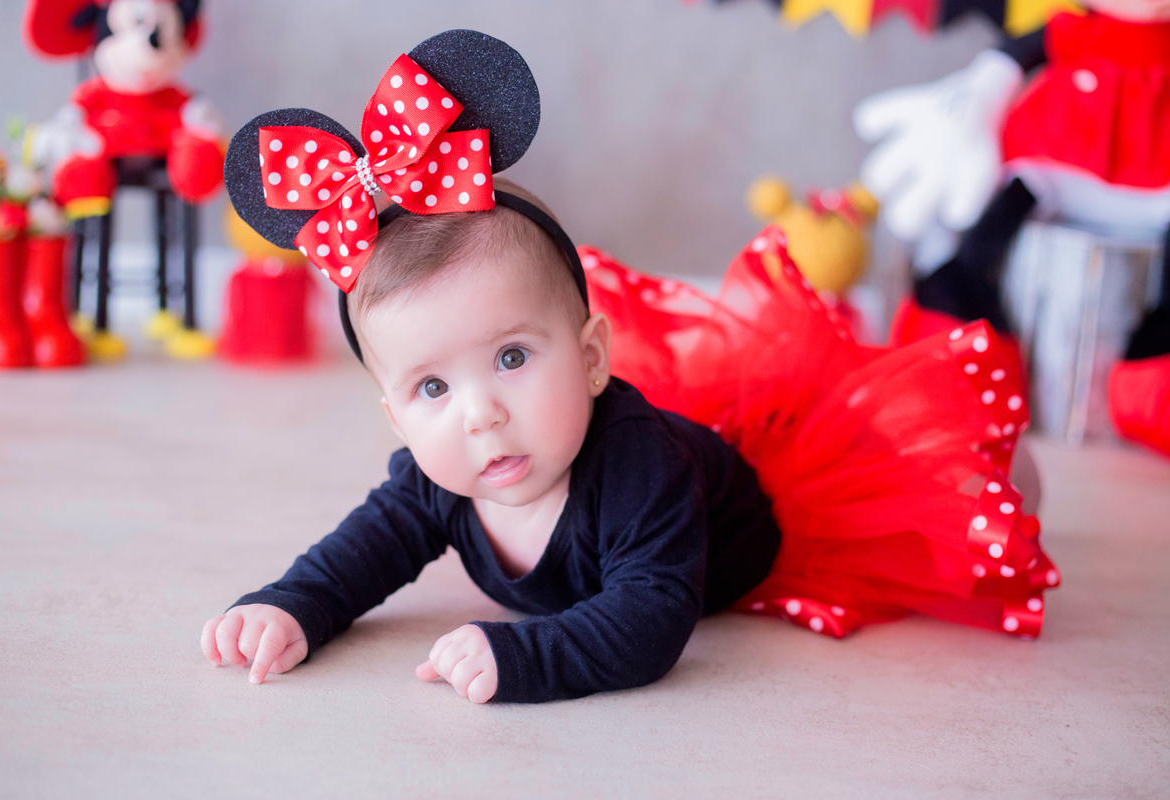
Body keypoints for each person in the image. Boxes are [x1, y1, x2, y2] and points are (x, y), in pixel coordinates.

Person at [205, 31, 1057, 704]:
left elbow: (652, 619)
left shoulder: (637, 464)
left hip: (754, 522)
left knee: (935, 487)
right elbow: (365, 549)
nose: (481, 414)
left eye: (511, 358)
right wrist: (294, 605)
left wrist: (526, 654)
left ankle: (978, 460)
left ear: (590, 356)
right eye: (432, 386)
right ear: (395, 417)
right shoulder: (441, 475)